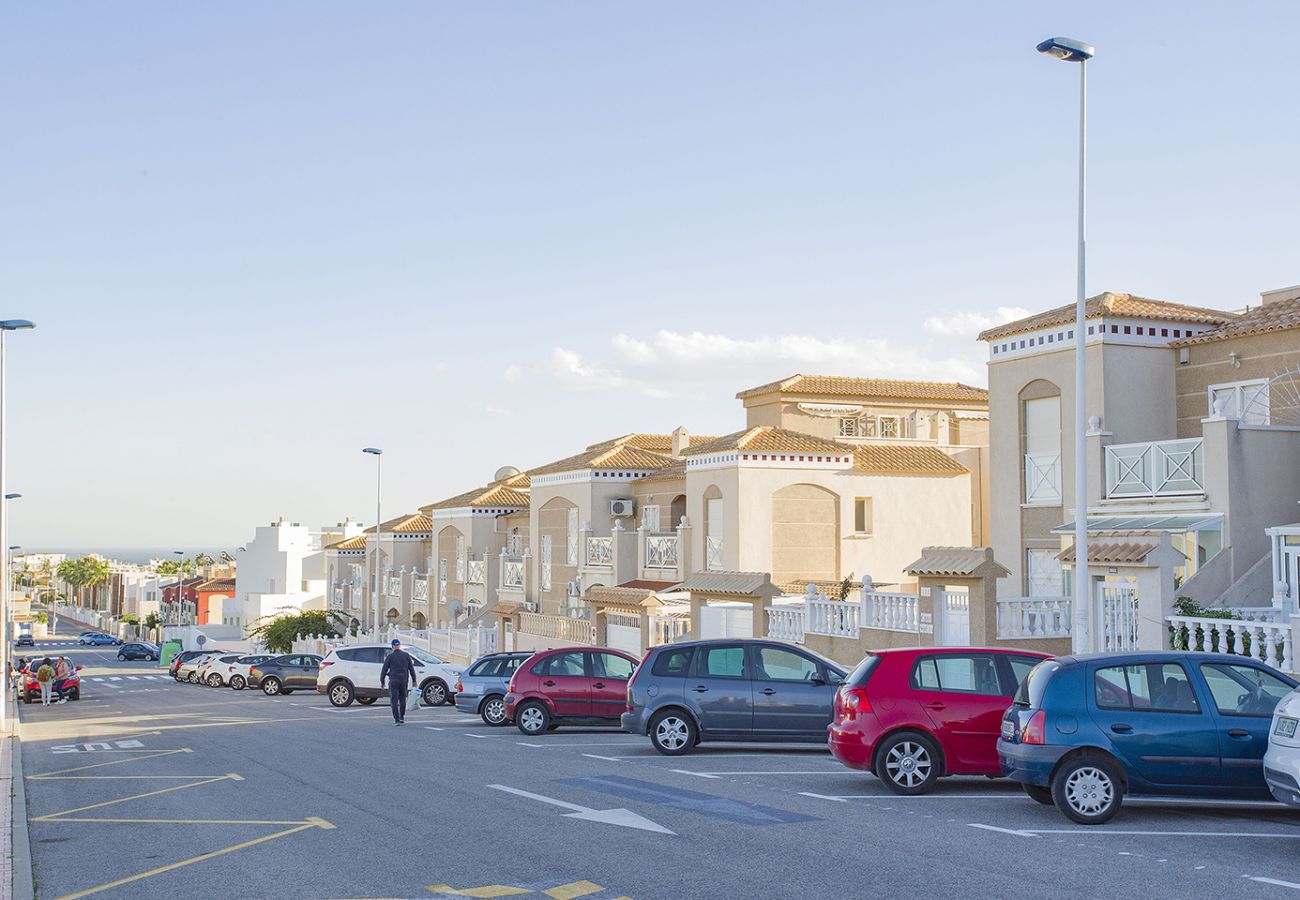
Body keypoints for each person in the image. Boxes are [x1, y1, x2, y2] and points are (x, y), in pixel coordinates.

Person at [379, 638, 418, 726]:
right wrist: (414, 680)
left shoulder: (390, 657)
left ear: (392, 647)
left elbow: (384, 670)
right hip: (404, 680)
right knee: (402, 698)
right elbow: (411, 668)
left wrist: (382, 681)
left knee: (394, 700)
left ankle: (396, 719)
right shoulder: (406, 655)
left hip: (394, 680)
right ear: (399, 646)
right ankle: (402, 717)